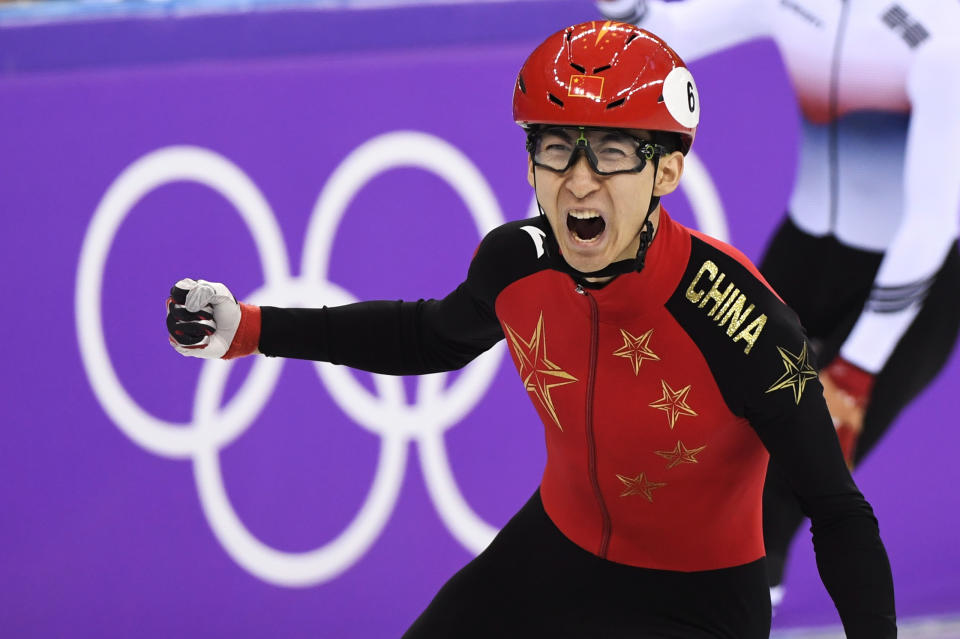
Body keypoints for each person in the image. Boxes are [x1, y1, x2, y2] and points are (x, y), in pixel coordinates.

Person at [166, 21, 896, 638]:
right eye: (556, 148)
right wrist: (251, 327)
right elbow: (429, 336)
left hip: (698, 601)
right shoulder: (517, 260)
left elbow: (836, 511)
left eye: (611, 152)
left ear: (667, 171)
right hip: (555, 551)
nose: (578, 181)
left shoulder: (737, 318)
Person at [595, 0, 960, 607]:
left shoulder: (941, 33)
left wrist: (859, 367)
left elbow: (931, 226)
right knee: (722, 449)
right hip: (806, 253)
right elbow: (658, 38)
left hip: (916, 283)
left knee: (790, 486)